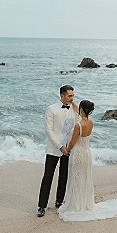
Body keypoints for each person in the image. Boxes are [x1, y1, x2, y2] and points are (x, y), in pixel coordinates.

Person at [58, 100, 117, 222]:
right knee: (84, 178)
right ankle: (85, 203)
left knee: (76, 178)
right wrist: (73, 103)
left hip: (77, 154)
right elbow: (80, 111)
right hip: (87, 153)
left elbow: (72, 142)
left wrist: (67, 150)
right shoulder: (91, 122)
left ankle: (76, 204)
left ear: (81, 110)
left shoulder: (78, 126)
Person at [37, 85, 79, 217]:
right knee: (48, 177)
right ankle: (41, 206)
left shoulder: (74, 109)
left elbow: (80, 121)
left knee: (64, 176)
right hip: (54, 148)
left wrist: (70, 146)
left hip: (69, 148)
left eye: (73, 95)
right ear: (62, 96)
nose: (72, 98)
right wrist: (60, 146)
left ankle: (59, 201)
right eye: (70, 96)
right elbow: (48, 131)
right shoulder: (51, 109)